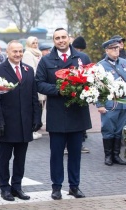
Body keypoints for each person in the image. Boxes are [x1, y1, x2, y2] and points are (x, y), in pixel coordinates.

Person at [36, 28, 91, 200]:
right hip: (57, 115)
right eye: (57, 38)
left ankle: (74, 186)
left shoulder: (82, 58)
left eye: (63, 37)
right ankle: (56, 187)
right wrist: (59, 90)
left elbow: (92, 80)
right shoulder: (46, 61)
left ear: (69, 38)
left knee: (75, 154)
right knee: (56, 155)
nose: (61, 40)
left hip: (77, 114)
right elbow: (39, 84)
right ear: (53, 41)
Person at [0, 40, 41, 201]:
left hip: (24, 123)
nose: (18, 54)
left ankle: (17, 187)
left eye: (20, 51)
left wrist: (36, 118)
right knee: (5, 158)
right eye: (15, 51)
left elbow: (34, 97)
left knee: (21, 158)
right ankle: (5, 188)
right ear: (8, 52)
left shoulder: (28, 70)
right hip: (6, 123)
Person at [97, 39, 126, 166]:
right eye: (113, 48)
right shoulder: (101, 66)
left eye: (117, 48)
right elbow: (97, 86)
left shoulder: (124, 63)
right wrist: (100, 104)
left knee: (119, 130)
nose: (116, 50)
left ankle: (116, 155)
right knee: (108, 129)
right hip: (110, 103)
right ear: (107, 50)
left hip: (124, 103)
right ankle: (108, 156)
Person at [22, 36, 43, 140]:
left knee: (40, 107)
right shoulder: (27, 54)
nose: (35, 44)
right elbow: (30, 69)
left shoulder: (38, 53)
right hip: (33, 83)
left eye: (36, 42)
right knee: (35, 106)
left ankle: (36, 128)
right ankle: (32, 129)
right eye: (33, 42)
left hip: (39, 82)